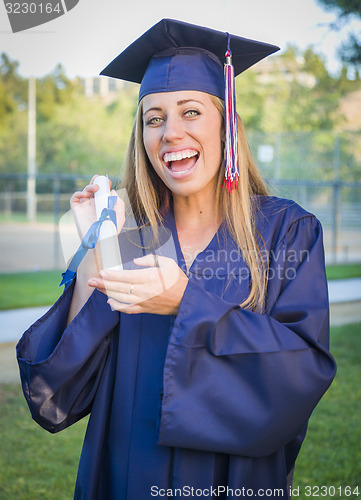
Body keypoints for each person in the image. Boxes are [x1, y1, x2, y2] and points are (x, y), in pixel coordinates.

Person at [17, 18, 336, 500]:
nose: (170, 133)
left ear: (226, 124)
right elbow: (57, 396)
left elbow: (301, 374)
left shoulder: (287, 233)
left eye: (190, 112)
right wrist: (95, 250)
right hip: (128, 481)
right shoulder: (129, 240)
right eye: (154, 118)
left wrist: (186, 302)